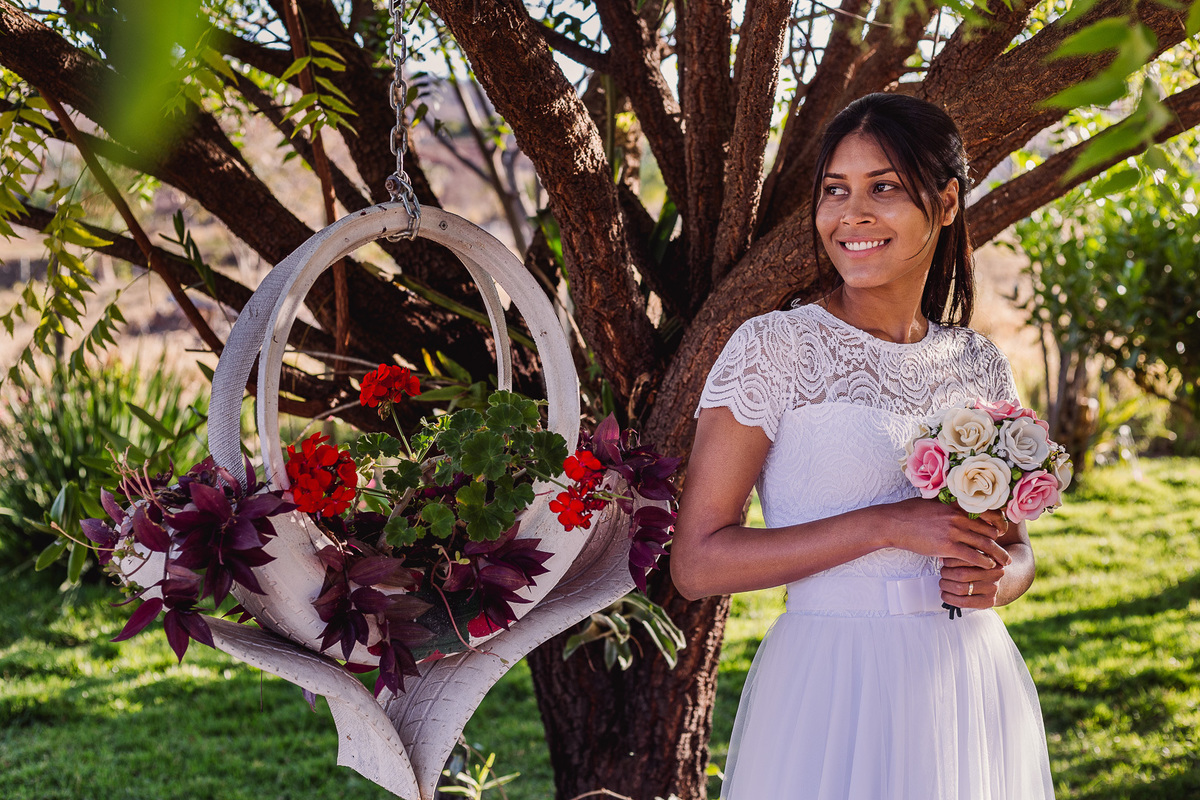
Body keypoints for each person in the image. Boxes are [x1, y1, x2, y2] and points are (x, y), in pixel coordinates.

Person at [671, 93, 1055, 799]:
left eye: (883, 188)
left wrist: (1000, 581)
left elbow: (1019, 548)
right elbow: (697, 563)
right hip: (832, 681)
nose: (853, 215)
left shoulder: (977, 362)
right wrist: (885, 526)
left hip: (967, 679)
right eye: (835, 192)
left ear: (945, 204)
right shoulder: (773, 348)